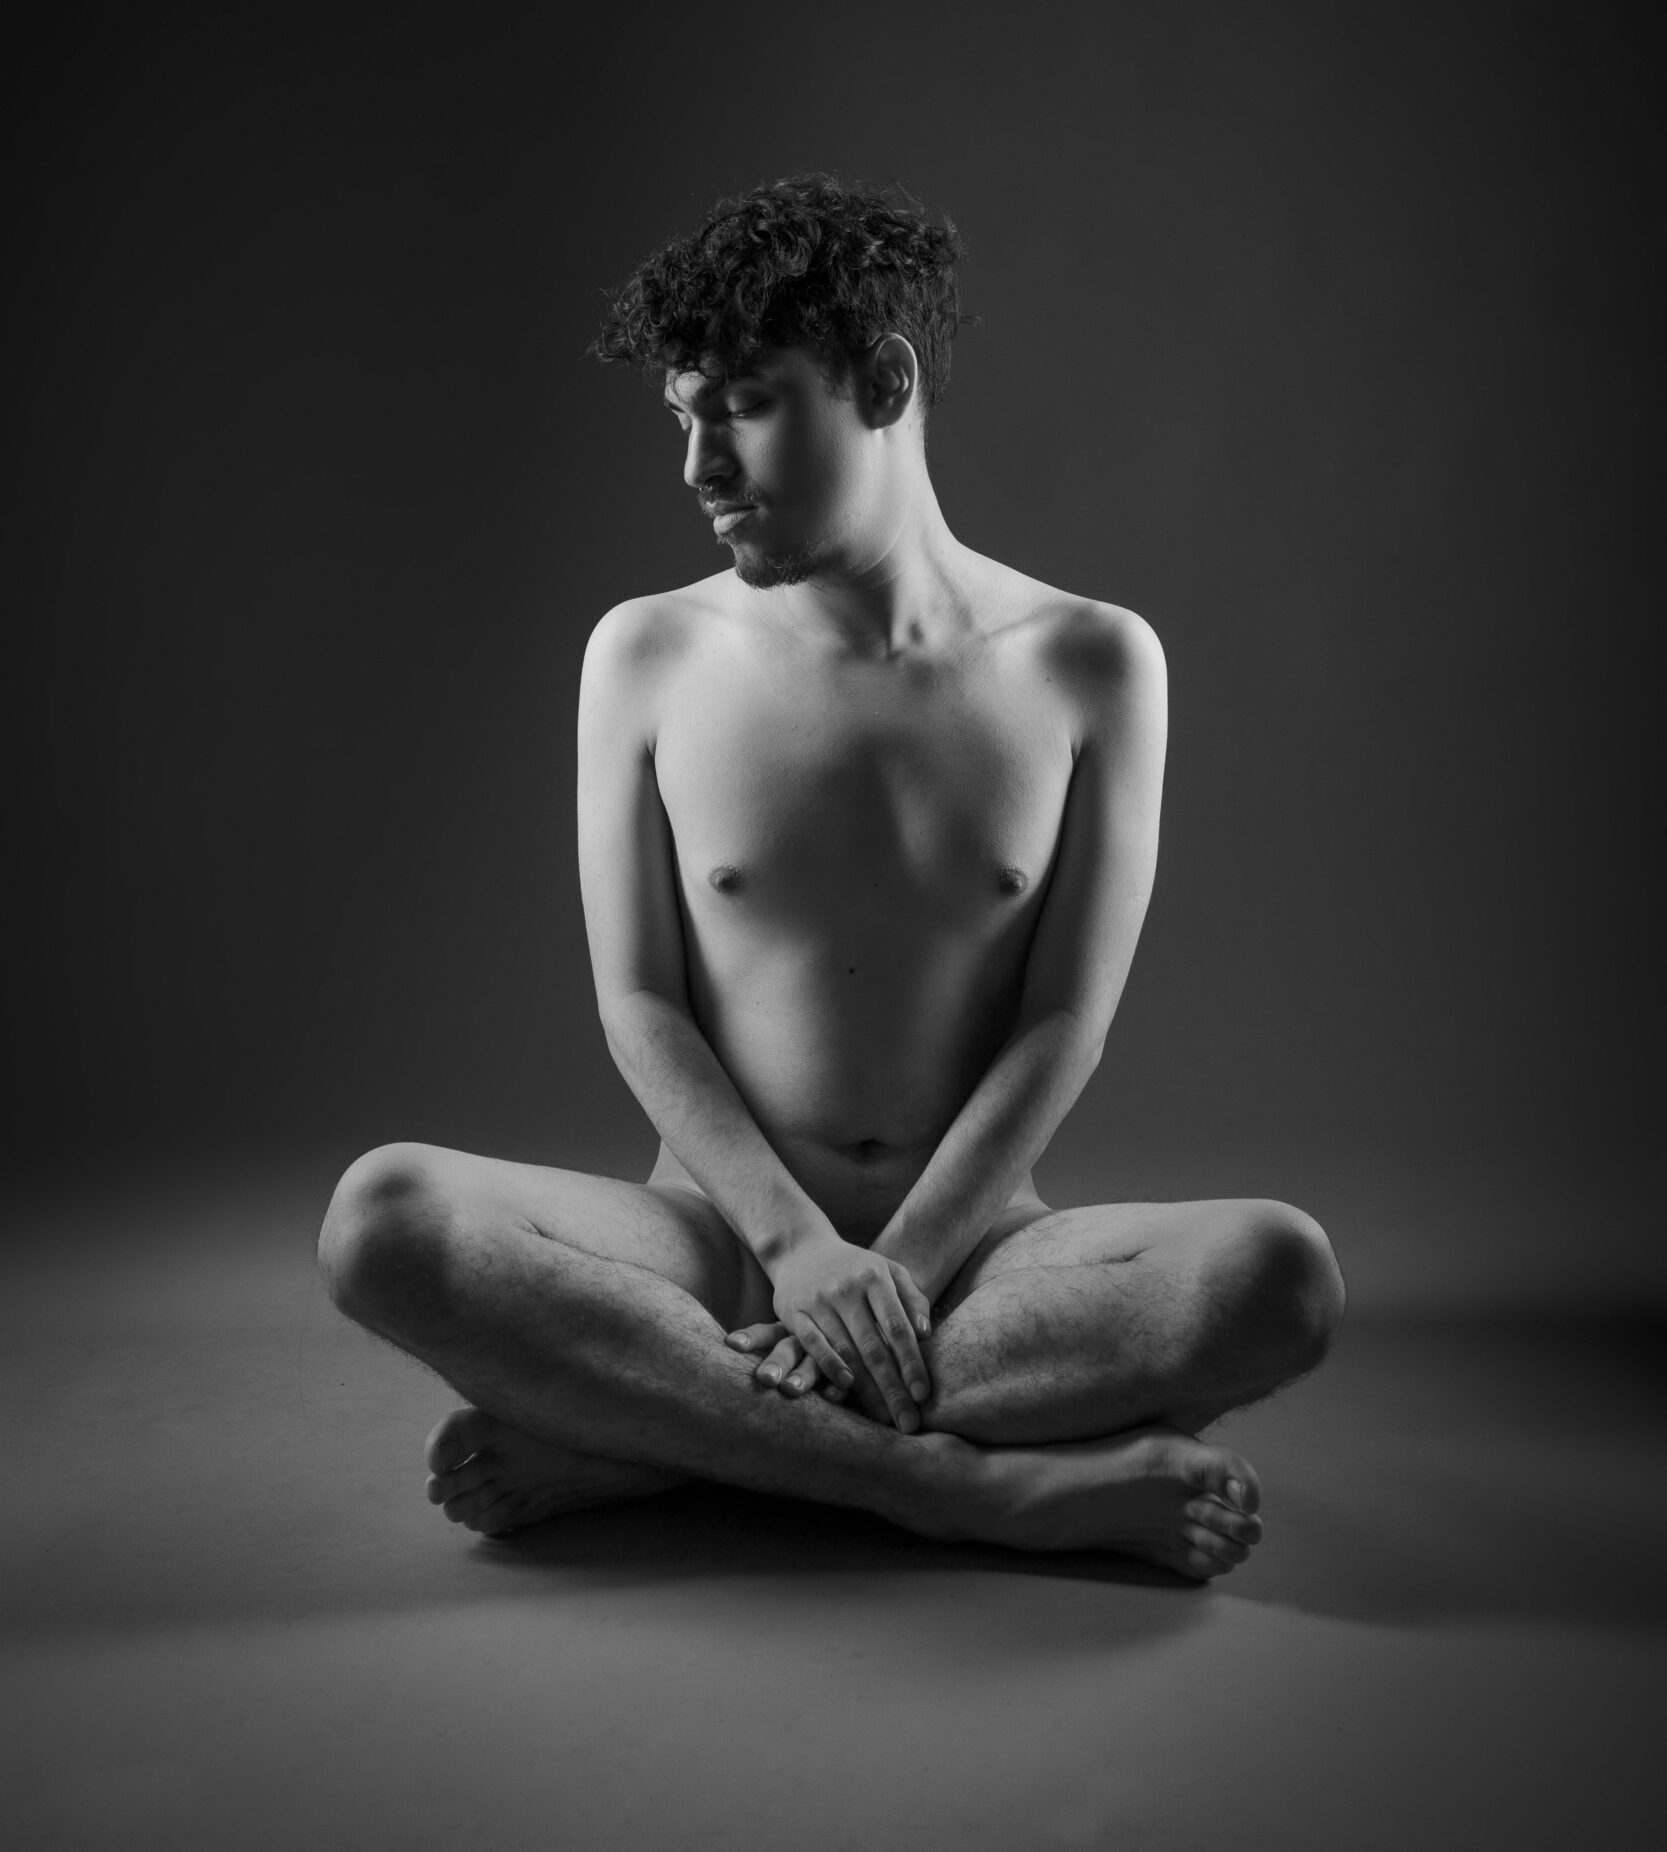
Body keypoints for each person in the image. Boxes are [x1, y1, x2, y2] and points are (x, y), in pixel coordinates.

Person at [318, 173, 1345, 1578]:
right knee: (383, 1221)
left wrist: (899, 1269)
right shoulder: (646, 654)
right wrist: (796, 1252)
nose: (699, 466)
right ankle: (958, 1492)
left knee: (1277, 1275)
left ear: (883, 382)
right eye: (681, 416)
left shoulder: (1094, 662)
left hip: (974, 1256)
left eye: (744, 405)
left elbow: (1064, 1021)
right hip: (708, 1239)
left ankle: (655, 1430)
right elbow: (639, 1003)